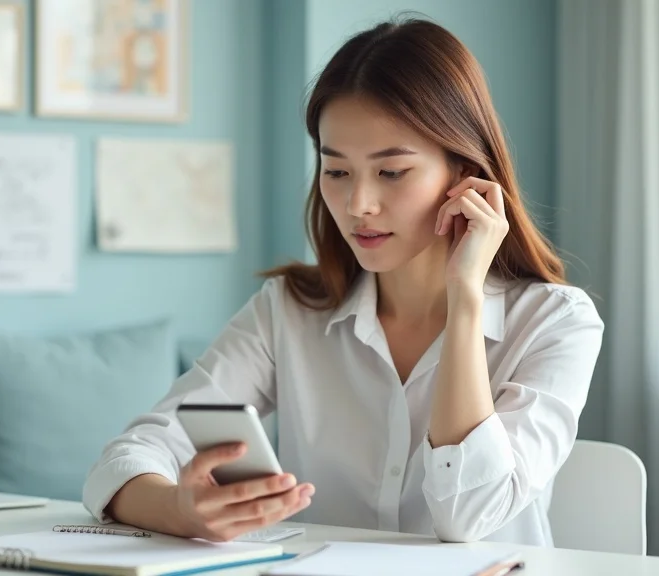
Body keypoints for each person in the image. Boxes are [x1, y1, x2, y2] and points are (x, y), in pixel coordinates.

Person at [81, 16, 603, 547]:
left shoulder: (557, 321)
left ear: (464, 173)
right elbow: (127, 458)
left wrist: (465, 297)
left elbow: (469, 517)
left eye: (391, 172)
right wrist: (179, 509)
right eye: (336, 171)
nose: (358, 206)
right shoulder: (288, 310)